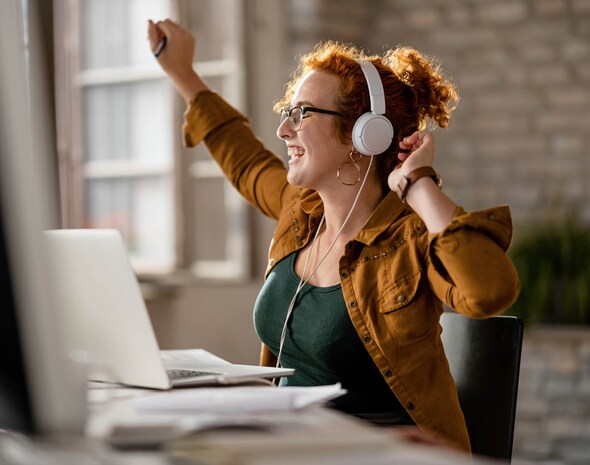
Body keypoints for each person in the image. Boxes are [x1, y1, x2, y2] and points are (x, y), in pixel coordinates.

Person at [147, 19, 520, 453]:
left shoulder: (411, 240)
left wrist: (418, 182)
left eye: (302, 114)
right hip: (291, 447)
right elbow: (244, 160)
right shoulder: (300, 210)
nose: (284, 130)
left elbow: (490, 290)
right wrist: (182, 73)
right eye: (289, 112)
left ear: (364, 134)